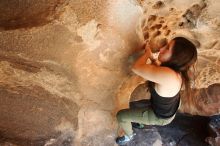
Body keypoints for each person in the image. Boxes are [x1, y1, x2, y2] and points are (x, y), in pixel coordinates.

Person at [115, 37, 197, 145]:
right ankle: (139, 121)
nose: (162, 48)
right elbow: (159, 71)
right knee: (138, 111)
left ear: (176, 57)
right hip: (169, 107)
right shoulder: (177, 71)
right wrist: (153, 59)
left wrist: (147, 54)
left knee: (121, 116)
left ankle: (128, 136)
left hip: (159, 116)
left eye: (167, 48)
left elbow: (136, 67)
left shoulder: (169, 76)